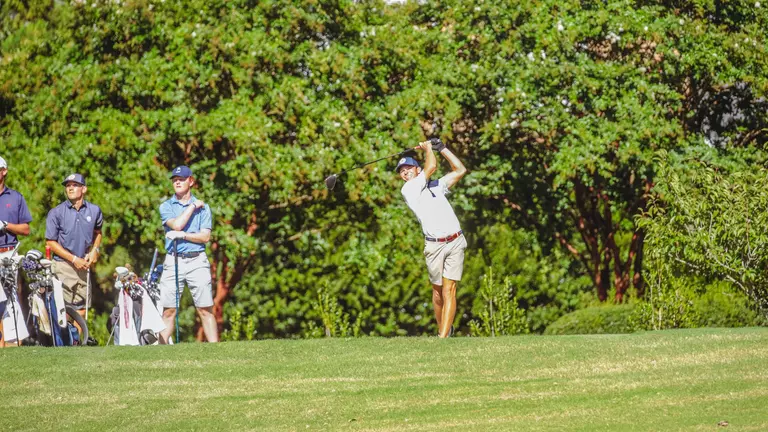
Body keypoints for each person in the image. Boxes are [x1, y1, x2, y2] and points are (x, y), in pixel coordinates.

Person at [397, 139, 467, 338]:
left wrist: (442, 148)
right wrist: (428, 149)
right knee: (437, 294)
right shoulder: (409, 190)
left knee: (449, 289)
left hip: (455, 241)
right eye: (401, 171)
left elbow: (460, 170)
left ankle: (443, 337)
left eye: (409, 167)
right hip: (434, 246)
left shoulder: (437, 186)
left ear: (418, 169)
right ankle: (442, 328)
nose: (405, 172)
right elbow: (433, 165)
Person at [158, 165, 218, 343]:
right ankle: (158, 352)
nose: (177, 182)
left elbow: (205, 237)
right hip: (173, 259)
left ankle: (217, 352)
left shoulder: (204, 208)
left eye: (182, 179)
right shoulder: (166, 206)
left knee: (205, 309)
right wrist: (192, 206)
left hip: (197, 260)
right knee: (169, 310)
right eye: (175, 180)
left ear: (191, 181)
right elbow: (176, 224)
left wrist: (184, 236)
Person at [45, 173, 103, 324]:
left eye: (74, 185)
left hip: (84, 265)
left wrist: (95, 250)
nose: (70, 188)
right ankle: (66, 345)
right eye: (68, 186)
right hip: (63, 265)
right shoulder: (56, 212)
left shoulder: (94, 210)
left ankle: (78, 346)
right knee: (65, 310)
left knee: (81, 310)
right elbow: (51, 242)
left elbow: (98, 233)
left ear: (83, 189)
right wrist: (73, 259)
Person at [0, 156, 32, 347]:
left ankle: (12, 343)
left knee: (10, 300)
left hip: (9, 254)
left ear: (4, 171)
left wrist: (5, 225)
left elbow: (25, 229)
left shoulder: (16, 197)